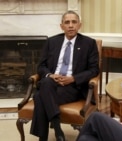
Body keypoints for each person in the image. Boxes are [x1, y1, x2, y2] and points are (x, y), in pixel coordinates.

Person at [30, 10, 99, 141]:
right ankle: (57, 129)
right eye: (67, 22)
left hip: (72, 87)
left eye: (74, 22)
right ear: (62, 26)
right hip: (51, 83)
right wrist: (51, 75)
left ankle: (43, 137)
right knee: (46, 82)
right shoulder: (52, 42)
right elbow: (41, 66)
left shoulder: (89, 43)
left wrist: (73, 78)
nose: (71, 25)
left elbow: (94, 70)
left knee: (39, 96)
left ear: (80, 25)